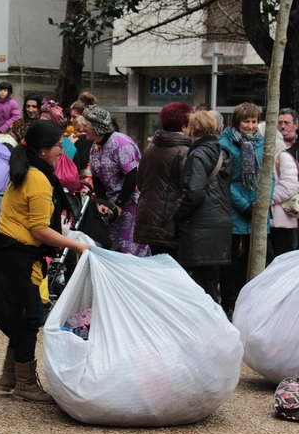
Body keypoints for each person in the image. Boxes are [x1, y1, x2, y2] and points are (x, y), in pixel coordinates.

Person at [0, 120, 89, 403]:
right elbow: (39, 229)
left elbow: (33, 223)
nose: (61, 152)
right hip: (16, 254)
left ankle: (11, 377)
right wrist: (75, 245)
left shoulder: (28, 171)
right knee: (31, 315)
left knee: (23, 314)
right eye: (58, 147)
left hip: (9, 250)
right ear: (42, 149)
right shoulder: (38, 178)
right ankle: (24, 383)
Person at [174, 111, 232, 302]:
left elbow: (194, 192)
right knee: (210, 281)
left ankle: (208, 328)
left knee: (200, 286)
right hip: (220, 223)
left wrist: (178, 215)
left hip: (200, 226)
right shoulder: (222, 152)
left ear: (193, 129)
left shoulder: (197, 154)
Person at [218, 102, 266, 319]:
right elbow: (225, 180)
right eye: (246, 121)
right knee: (231, 262)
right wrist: (244, 206)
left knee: (252, 259)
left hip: (257, 205)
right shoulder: (226, 144)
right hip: (236, 208)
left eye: (254, 121)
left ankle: (250, 304)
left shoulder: (263, 143)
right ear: (237, 121)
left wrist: (263, 201)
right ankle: (229, 303)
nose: (250, 125)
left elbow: (268, 176)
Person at [80, 106, 149, 256]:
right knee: (112, 249)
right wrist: (103, 203)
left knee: (128, 251)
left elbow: (132, 175)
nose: (82, 128)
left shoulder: (121, 143)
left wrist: (118, 204)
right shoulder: (95, 147)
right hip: (111, 208)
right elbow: (96, 177)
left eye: (85, 125)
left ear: (96, 127)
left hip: (129, 204)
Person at [134, 102, 193, 258]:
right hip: (170, 223)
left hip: (148, 218)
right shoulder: (185, 152)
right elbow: (189, 188)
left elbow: (140, 182)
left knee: (158, 266)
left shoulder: (150, 149)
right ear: (184, 126)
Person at [270, 119, 298, 258]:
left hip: (283, 220)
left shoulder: (283, 157)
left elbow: (289, 187)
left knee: (283, 256)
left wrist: (267, 199)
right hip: (269, 219)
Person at [69, 92, 97, 184]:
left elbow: (81, 163)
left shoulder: (83, 138)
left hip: (85, 185)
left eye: (74, 117)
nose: (71, 120)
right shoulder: (91, 135)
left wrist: (69, 146)